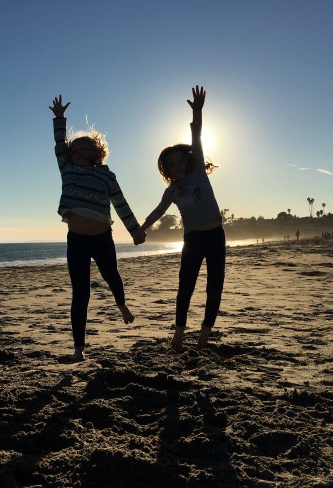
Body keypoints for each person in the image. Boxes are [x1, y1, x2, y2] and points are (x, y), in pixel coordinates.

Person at [49, 95, 146, 361]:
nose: (79, 152)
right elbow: (59, 145)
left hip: (103, 237)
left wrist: (135, 229)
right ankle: (79, 349)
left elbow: (121, 203)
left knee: (112, 275)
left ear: (97, 152)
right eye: (75, 149)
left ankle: (121, 304)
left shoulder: (106, 175)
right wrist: (59, 119)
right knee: (81, 293)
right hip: (77, 240)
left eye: (85, 147)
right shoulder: (66, 168)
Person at [139, 85, 225, 351]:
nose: (177, 167)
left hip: (215, 235)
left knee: (215, 286)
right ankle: (179, 332)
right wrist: (141, 227)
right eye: (171, 165)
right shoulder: (172, 191)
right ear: (166, 171)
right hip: (192, 239)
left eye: (180, 162)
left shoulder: (198, 171)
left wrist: (197, 113)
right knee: (185, 287)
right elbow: (158, 210)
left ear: (187, 161)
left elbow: (197, 137)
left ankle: (204, 334)